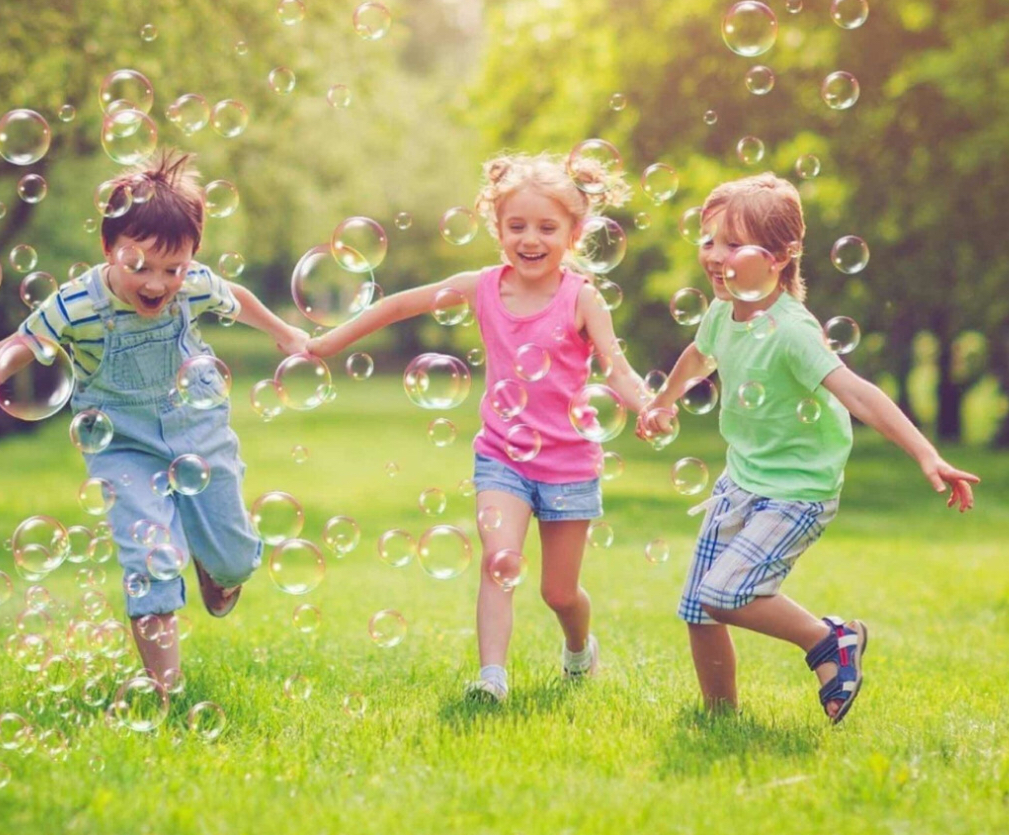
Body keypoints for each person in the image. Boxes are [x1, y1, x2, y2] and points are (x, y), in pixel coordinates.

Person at [637, 172, 979, 722]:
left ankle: (830, 641)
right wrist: (665, 399)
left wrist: (925, 452)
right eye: (709, 241)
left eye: (731, 243)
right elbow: (699, 356)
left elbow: (859, 395)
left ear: (780, 256)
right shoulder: (723, 312)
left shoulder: (792, 331)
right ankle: (719, 719)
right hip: (743, 480)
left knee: (725, 593)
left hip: (796, 492)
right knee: (699, 608)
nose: (713, 255)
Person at [309, 151, 647, 702]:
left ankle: (579, 648)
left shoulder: (581, 297)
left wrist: (648, 405)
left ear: (574, 232)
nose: (530, 239)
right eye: (516, 226)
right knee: (499, 561)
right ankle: (493, 678)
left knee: (560, 593)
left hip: (569, 466)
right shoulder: (482, 286)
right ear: (498, 228)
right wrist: (329, 341)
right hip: (503, 456)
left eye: (546, 227)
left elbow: (618, 368)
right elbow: (399, 307)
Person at [0, 149, 308, 686]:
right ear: (108, 249)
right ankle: (166, 692)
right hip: (121, 441)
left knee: (234, 558)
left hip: (198, 426)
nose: (157, 282)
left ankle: (219, 570)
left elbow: (233, 296)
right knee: (149, 559)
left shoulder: (193, 283)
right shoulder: (76, 304)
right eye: (138, 265)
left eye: (173, 268)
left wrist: (284, 332)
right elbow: (26, 339)